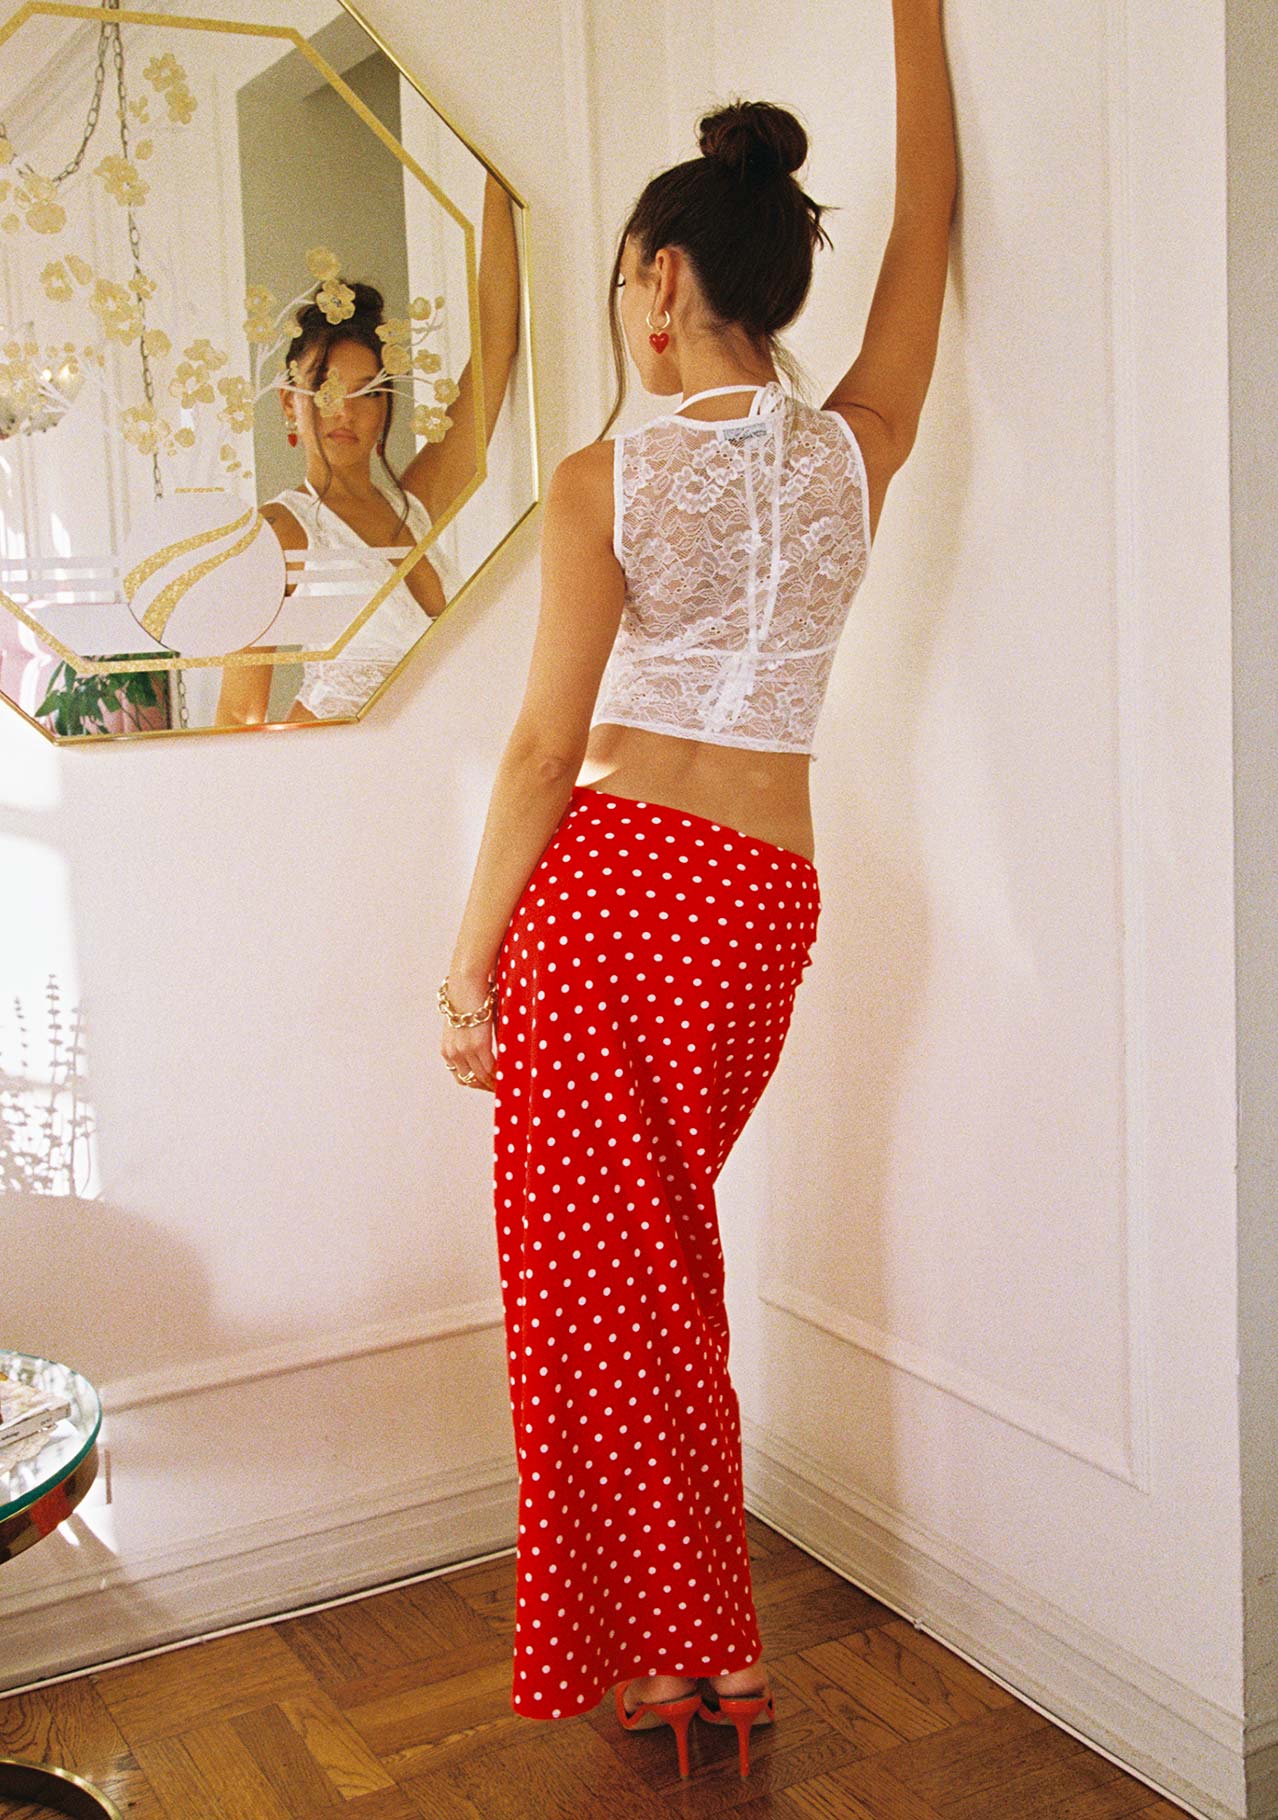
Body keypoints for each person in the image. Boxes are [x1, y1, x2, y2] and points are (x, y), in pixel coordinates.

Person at [439, 0, 956, 1780]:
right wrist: (919, 27)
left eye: (625, 292)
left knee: (602, 1285)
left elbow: (536, 753)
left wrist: (463, 963)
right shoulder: (855, 446)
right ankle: (685, 1649)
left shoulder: (606, 478)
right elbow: (931, 237)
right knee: (652, 1274)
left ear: (658, 279)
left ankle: (689, 1652)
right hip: (761, 909)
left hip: (609, 900)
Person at [214, 171, 518, 725]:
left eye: (366, 392)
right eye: (324, 388)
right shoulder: (277, 534)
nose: (344, 410)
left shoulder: (415, 504)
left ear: (385, 408)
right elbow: (238, 716)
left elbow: (496, 339)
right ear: (288, 402)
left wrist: (498, 179)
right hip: (330, 780)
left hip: (427, 772)